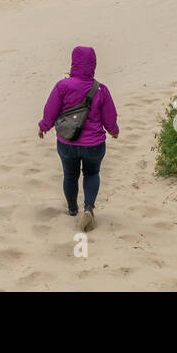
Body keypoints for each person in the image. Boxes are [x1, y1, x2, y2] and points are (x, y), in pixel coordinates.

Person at [37, 46, 118, 232]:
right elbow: (110, 118)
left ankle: (73, 209)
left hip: (67, 142)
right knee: (92, 173)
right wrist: (114, 131)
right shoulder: (101, 89)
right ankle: (88, 208)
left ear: (74, 62)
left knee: (70, 175)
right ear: (93, 64)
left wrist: (43, 127)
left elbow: (50, 111)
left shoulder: (62, 86)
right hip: (95, 144)